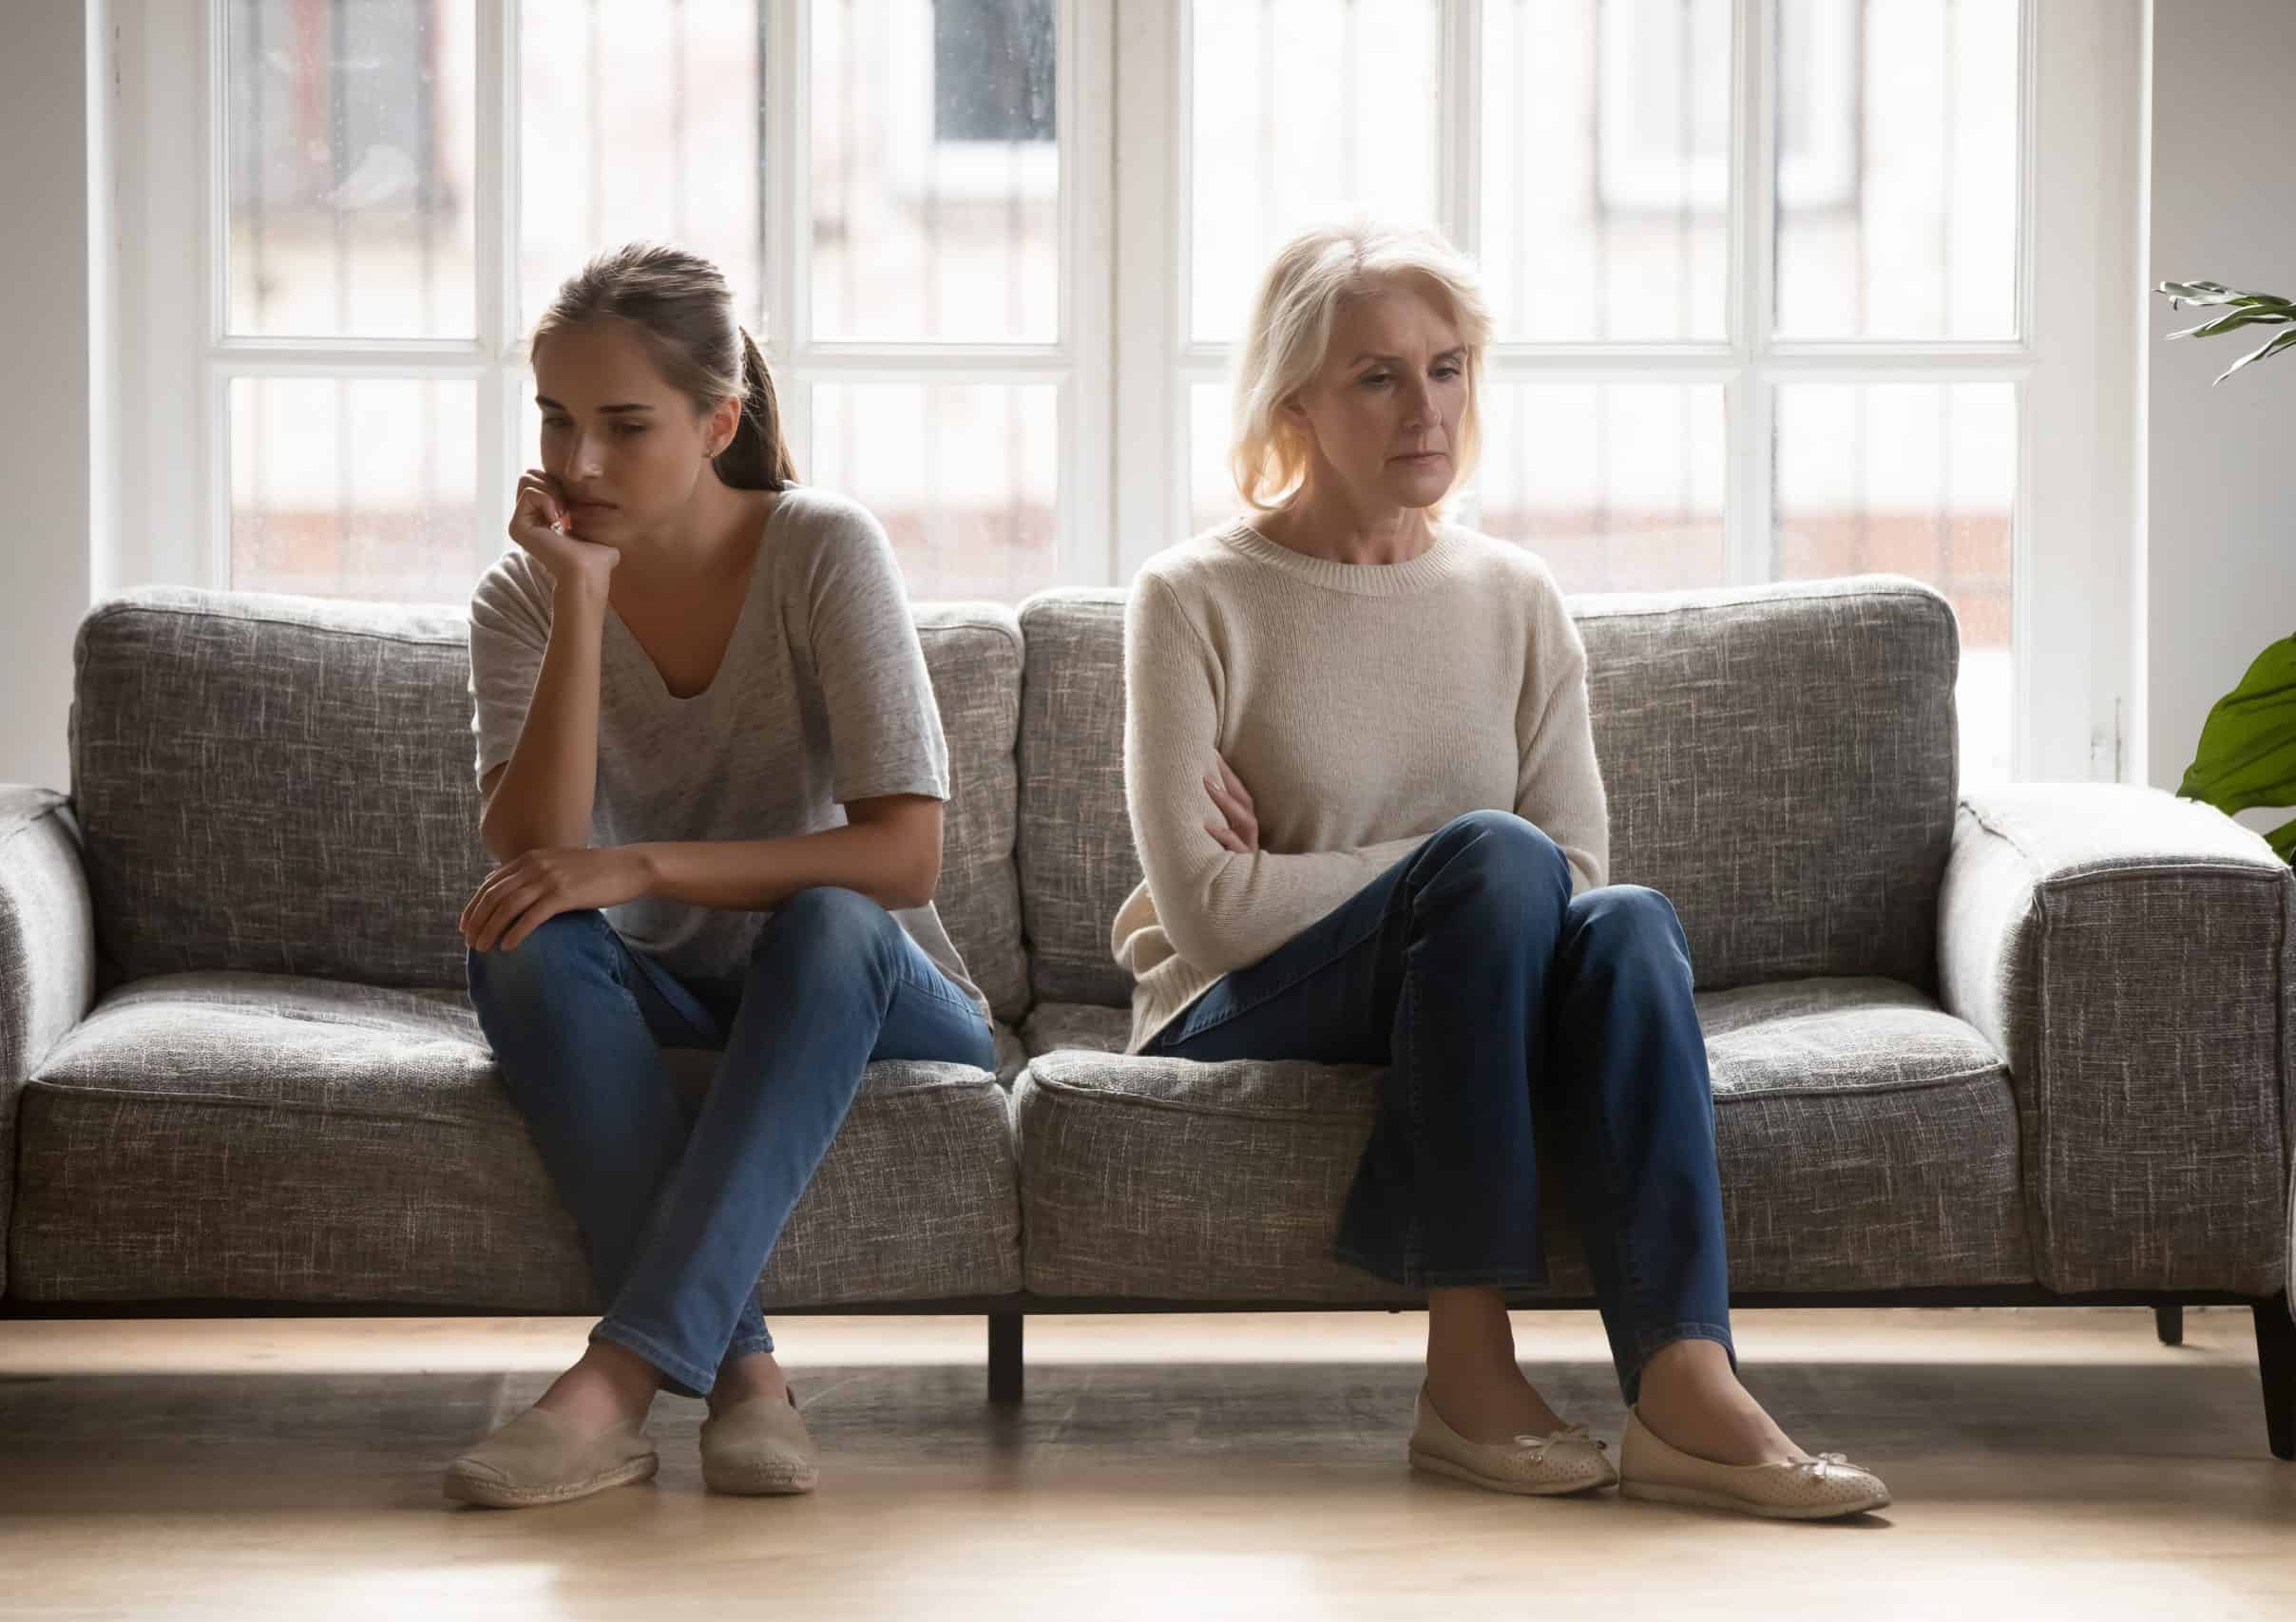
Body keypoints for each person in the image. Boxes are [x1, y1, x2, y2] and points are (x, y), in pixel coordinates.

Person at [1111, 219, 1891, 1519]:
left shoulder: (1515, 595)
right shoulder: (1194, 598)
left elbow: (1577, 873)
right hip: (1244, 998)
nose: (1427, 408)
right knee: (1493, 859)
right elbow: (1212, 909)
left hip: (1479, 980)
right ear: (1296, 397)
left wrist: (1447, 884)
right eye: (1377, 375)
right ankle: (1466, 1371)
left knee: (1632, 923)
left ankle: (1686, 1385)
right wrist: (1451, 873)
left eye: (1448, 367)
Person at [445, 241, 996, 1510]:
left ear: (717, 422)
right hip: (669, 986)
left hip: (864, 991)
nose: (577, 465)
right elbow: (531, 851)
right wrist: (577, 598)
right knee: (517, 935)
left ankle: (614, 1390)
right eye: (555, 420)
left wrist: (639, 861)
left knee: (832, 919)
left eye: (624, 426)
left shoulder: (820, 550)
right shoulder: (522, 594)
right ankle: (746, 1377)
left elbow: (905, 855)